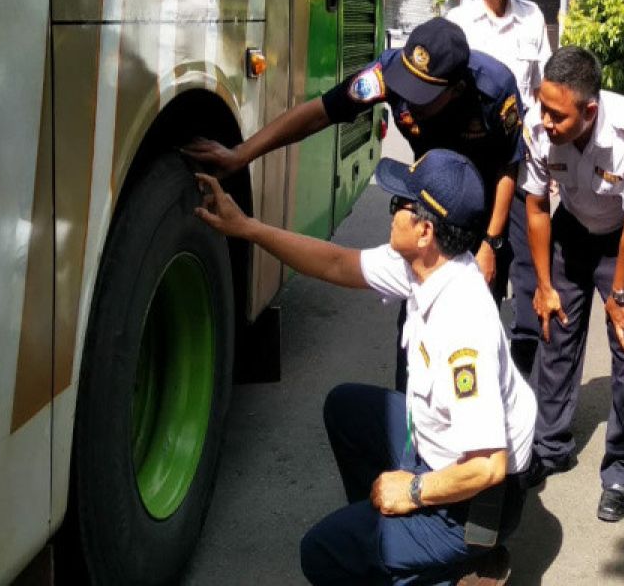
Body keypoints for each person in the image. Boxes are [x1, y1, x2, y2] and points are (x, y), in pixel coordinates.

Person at [194, 148, 535, 585]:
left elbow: (488, 466)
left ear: (426, 230)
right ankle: (392, 545)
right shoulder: (425, 266)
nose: (391, 211)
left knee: (320, 552)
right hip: (440, 454)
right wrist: (246, 228)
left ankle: (452, 564)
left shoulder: (463, 327)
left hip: (476, 505)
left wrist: (410, 492)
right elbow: (336, 263)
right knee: (348, 409)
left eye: (399, 205)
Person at [184, 17, 531, 382]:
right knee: (417, 326)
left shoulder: (494, 89)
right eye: (407, 84)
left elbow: (508, 166)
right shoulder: (388, 74)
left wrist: (491, 243)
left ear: (457, 89)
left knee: (472, 325)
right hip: (426, 198)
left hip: (482, 206)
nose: (410, 97)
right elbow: (320, 113)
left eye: (424, 94)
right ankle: (413, 409)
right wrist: (242, 154)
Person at [520, 46, 624, 523]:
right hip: (571, 230)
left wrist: (620, 298)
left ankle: (622, 468)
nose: (546, 121)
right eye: (542, 107)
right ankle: (549, 445)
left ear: (590, 110)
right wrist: (543, 283)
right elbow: (537, 207)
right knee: (554, 333)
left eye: (557, 114)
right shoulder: (536, 128)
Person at [447, 0, 553, 377]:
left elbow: (546, 87)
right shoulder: (458, 25)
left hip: (525, 161)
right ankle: (481, 360)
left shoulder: (532, 17)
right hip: (475, 164)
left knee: (527, 262)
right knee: (477, 259)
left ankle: (525, 365)